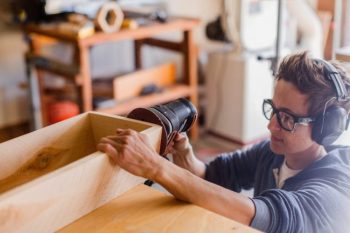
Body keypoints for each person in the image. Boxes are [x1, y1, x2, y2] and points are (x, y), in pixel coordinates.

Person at [98, 52, 350, 233]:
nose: (271, 125)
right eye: (273, 110)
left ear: (325, 128)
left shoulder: (335, 191)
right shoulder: (274, 152)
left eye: (287, 119)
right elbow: (214, 175)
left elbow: (255, 213)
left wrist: (156, 167)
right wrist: (186, 158)